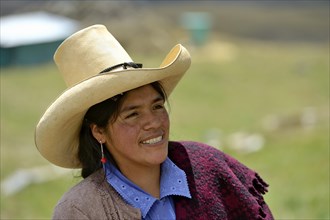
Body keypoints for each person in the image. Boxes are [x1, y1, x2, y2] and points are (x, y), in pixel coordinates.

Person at [35, 24, 273, 220]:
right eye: (132, 114)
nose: (153, 122)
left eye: (157, 106)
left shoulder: (206, 167)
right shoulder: (80, 211)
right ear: (99, 131)